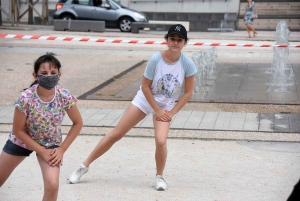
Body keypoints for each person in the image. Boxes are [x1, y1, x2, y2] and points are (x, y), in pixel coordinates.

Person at [68, 24, 197, 191]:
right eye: (172, 39)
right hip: (145, 99)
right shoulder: (156, 59)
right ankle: (83, 166)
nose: (175, 43)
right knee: (117, 133)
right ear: (167, 40)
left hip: (165, 105)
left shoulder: (187, 64)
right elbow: (145, 87)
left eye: (180, 40)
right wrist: (156, 110)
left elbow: (188, 93)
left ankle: (159, 176)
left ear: (185, 43)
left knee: (160, 140)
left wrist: (171, 112)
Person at [0, 54, 83, 200]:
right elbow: (17, 130)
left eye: (53, 73)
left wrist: (62, 149)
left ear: (59, 75)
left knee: (52, 185)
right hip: (21, 141)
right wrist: (41, 151)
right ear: (35, 75)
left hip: (51, 143)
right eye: (44, 73)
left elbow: (78, 123)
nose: (49, 76)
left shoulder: (64, 95)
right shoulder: (26, 97)